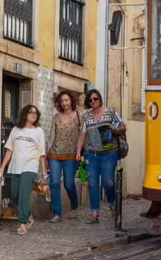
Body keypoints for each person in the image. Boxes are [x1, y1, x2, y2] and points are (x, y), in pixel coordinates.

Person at [79, 89, 126, 225]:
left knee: (108, 182)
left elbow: (123, 127)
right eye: (90, 100)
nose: (93, 101)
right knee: (92, 183)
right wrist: (78, 151)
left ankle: (112, 202)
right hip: (91, 153)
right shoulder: (86, 116)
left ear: (100, 99)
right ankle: (95, 214)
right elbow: (82, 135)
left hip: (109, 153)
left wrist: (114, 128)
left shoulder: (111, 112)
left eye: (95, 99)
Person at [0, 104, 46, 235]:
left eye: (35, 113)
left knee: (24, 195)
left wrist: (44, 171)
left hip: (30, 167)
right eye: (31, 112)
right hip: (15, 167)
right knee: (15, 196)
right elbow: (9, 150)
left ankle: (22, 224)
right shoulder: (16, 130)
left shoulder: (38, 131)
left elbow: (42, 152)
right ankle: (28, 215)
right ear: (25, 114)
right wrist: (2, 167)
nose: (33, 115)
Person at [46, 90, 83, 221]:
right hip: (55, 155)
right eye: (62, 101)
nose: (64, 103)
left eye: (66, 100)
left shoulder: (79, 115)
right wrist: (46, 154)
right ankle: (57, 214)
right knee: (54, 184)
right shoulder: (56, 117)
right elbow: (51, 137)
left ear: (71, 101)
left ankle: (74, 206)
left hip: (71, 156)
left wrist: (80, 152)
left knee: (68, 184)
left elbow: (83, 135)